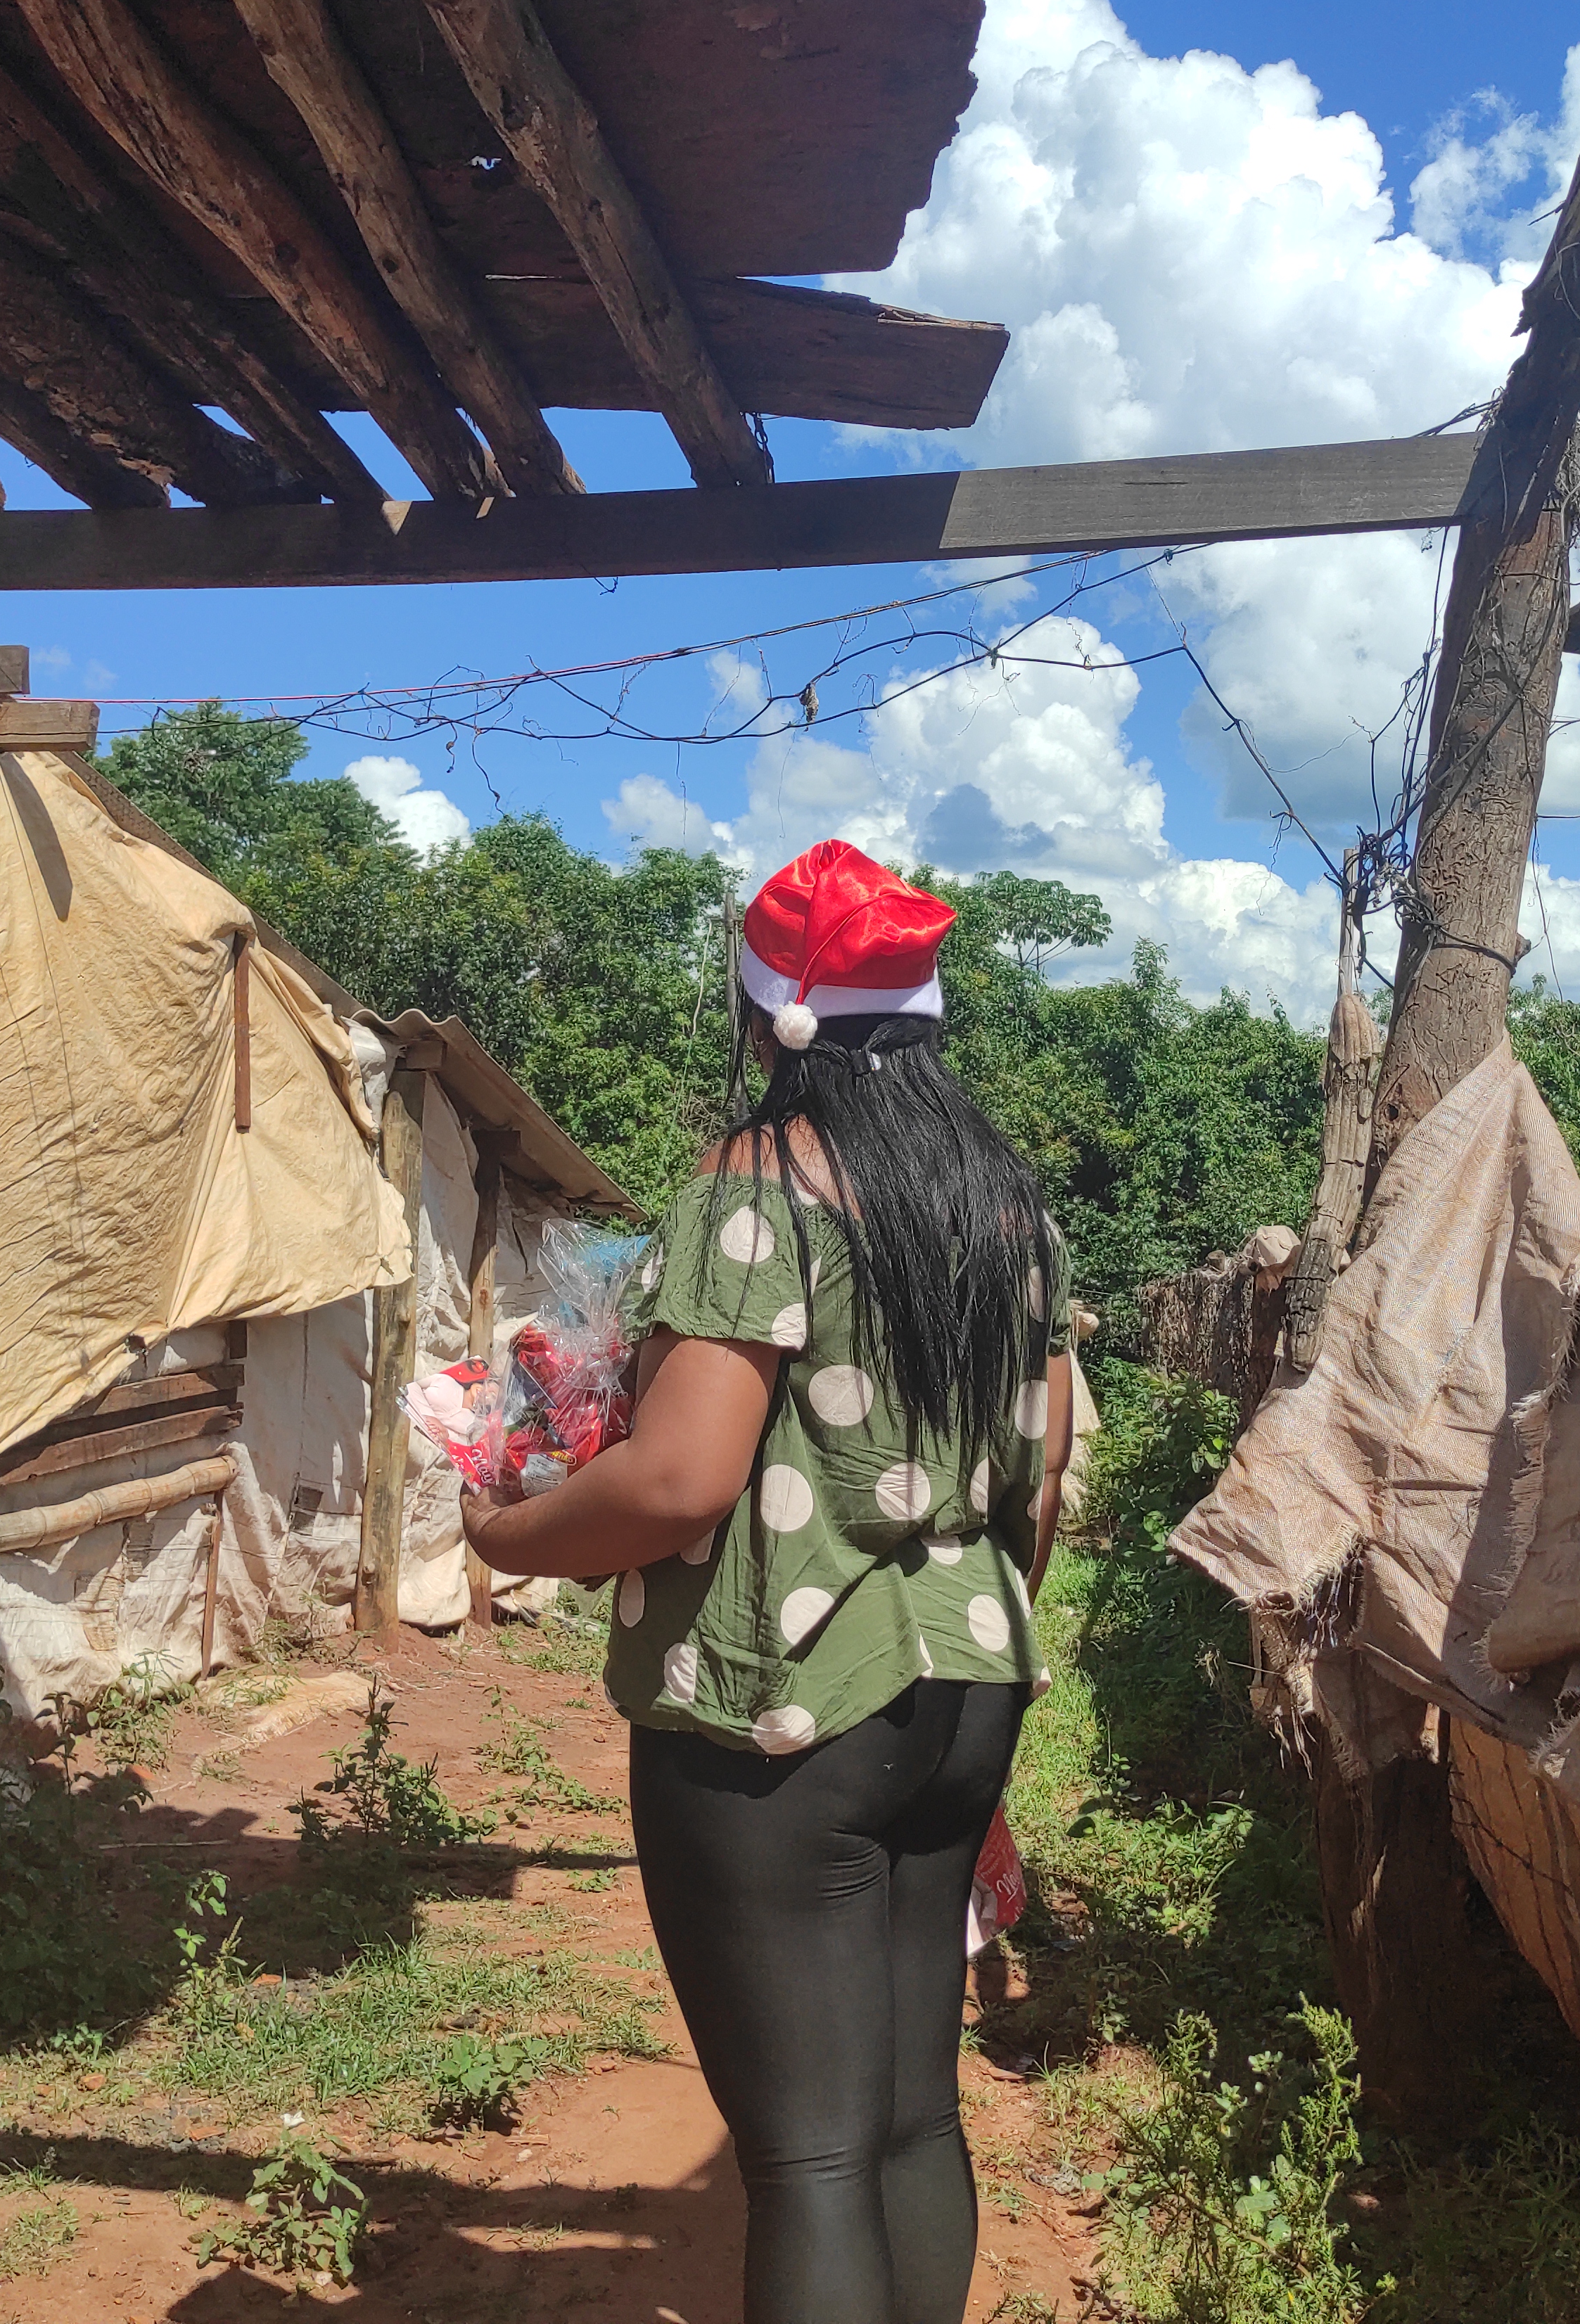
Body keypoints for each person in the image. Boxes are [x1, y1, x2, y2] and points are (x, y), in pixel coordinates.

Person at [463, 840, 1074, 2324]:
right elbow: (1041, 1478)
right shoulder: (1004, 1207)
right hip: (965, 1685)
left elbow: (679, 1476)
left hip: (785, 1712)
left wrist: (506, 1528)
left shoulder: (754, 1192)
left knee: (804, 2153)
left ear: (765, 1020)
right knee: (910, 2110)